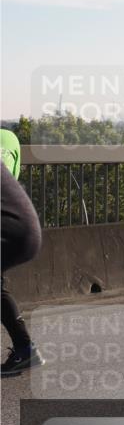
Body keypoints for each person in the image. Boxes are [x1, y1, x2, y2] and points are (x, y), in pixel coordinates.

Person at [1, 128, 44, 374]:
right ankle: (25, 349)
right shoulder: (10, 138)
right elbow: (12, 177)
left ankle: (25, 348)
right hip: (22, 221)